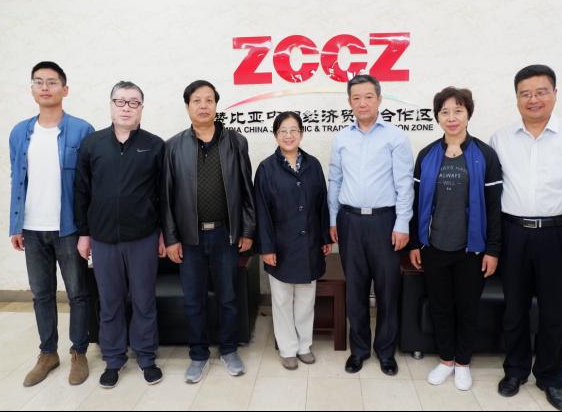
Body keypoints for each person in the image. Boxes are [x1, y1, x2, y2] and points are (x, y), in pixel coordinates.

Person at [490, 65, 562, 411]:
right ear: (516, 99)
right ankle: (515, 371)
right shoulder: (501, 138)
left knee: (554, 310)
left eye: (541, 92)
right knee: (515, 309)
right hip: (513, 232)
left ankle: (551, 378)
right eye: (525, 94)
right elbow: (493, 192)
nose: (533, 99)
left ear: (555, 93)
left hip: (557, 233)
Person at [161, 80, 255, 384]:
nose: (203, 106)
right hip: (190, 238)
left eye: (209, 100)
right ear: (187, 106)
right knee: (194, 299)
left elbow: (247, 189)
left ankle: (229, 349)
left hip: (226, 235)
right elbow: (166, 197)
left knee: (228, 296)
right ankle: (198, 354)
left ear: (216, 104)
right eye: (197, 101)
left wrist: (247, 230)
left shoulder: (236, 142)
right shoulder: (173, 146)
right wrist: (171, 238)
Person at [408, 87, 502, 390]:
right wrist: (415, 243)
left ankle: (463, 363)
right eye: (445, 112)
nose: (451, 117)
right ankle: (446, 359)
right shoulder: (427, 155)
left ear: (468, 114)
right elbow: (416, 204)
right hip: (434, 246)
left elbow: (494, 207)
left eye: (458, 111)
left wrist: (493, 249)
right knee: (440, 306)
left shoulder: (485, 155)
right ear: (438, 116)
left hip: (472, 249)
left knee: (467, 308)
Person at [74, 81, 166, 388]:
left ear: (142, 108)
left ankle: (146, 357)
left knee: (144, 300)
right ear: (111, 105)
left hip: (143, 236)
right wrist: (84, 234)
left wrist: (164, 234)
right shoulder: (93, 144)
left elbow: (164, 194)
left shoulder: (155, 145)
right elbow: (81, 191)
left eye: (133, 102)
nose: (126, 108)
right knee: (110, 301)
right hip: (103, 238)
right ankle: (113, 359)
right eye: (120, 101)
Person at [9, 61, 94, 387]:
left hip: (68, 227)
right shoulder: (19, 132)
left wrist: (87, 231)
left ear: (65, 89)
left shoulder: (82, 130)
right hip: (32, 228)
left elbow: (89, 185)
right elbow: (17, 180)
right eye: (38, 82)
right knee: (41, 294)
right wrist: (15, 225)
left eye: (52, 82)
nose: (45, 87)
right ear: (32, 89)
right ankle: (48, 353)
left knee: (78, 293)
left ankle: (79, 352)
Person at [327, 74, 414, 375]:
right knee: (356, 289)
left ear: (379, 99)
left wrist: (402, 223)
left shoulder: (395, 137)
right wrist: (332, 218)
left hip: (385, 222)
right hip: (349, 220)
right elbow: (335, 180)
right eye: (356, 98)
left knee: (388, 289)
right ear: (349, 102)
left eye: (368, 97)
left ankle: (386, 352)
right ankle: (359, 350)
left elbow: (404, 184)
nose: (362, 103)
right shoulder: (342, 138)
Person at [255, 111, 332, 370]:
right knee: (281, 300)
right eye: (283, 131)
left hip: (310, 244)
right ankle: (288, 348)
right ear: (275, 135)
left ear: (301, 133)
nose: (289, 136)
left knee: (306, 300)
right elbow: (262, 212)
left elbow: (322, 205)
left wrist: (324, 237)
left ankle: (304, 346)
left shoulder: (313, 165)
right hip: (280, 246)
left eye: (294, 130)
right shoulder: (266, 168)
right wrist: (266, 247)